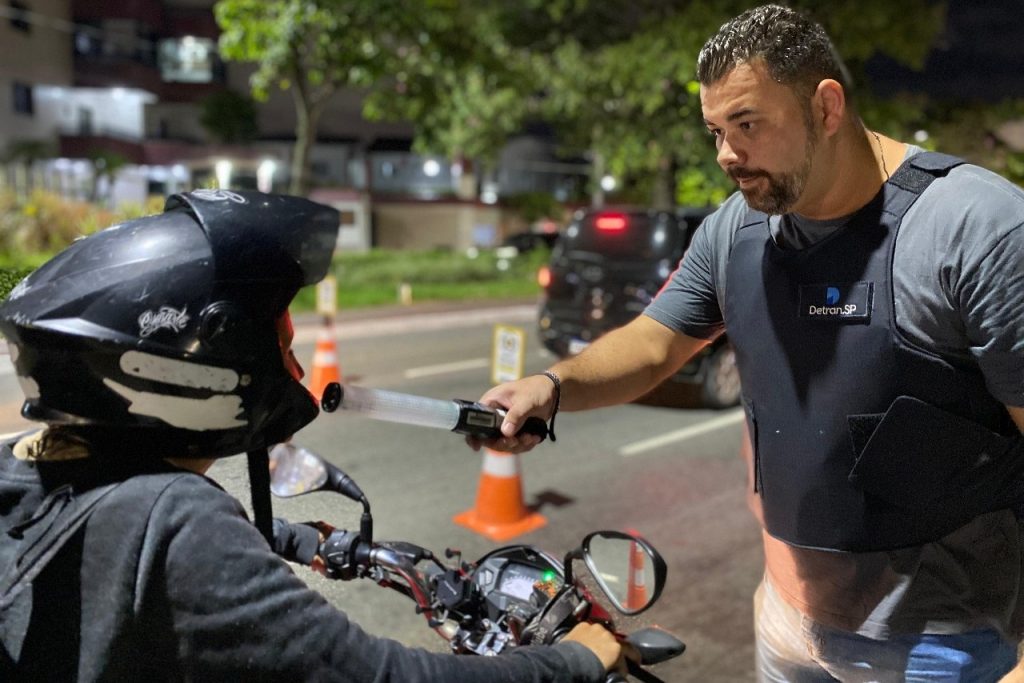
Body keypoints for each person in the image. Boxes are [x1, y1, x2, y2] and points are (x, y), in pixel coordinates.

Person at [472, 5, 1024, 681]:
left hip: (944, 646)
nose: (727, 154)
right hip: (789, 630)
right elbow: (652, 344)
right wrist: (552, 386)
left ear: (826, 107)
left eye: (748, 124)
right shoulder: (736, 231)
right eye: (716, 130)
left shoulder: (974, 228)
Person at [0, 189, 624, 682]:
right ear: (198, 365)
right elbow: (382, 676)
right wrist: (575, 661)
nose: (296, 373)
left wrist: (304, 539)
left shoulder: (27, 468)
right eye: (282, 348)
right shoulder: (176, 522)